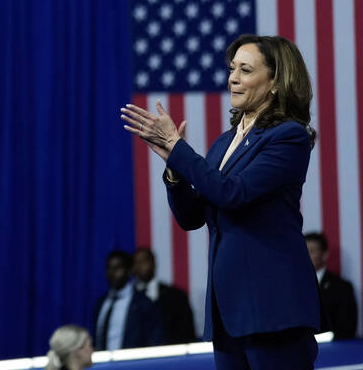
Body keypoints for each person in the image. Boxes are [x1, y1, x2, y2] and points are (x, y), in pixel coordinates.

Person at [121, 34, 321, 369]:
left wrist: (179, 149)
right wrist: (174, 166)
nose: (232, 78)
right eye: (232, 69)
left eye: (245, 70)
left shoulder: (288, 136)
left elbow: (233, 194)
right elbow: (192, 217)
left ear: (275, 82)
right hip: (229, 313)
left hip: (273, 310)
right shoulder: (224, 143)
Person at [91, 250, 164, 350]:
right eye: (109, 268)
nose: (112, 273)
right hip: (102, 363)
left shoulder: (143, 303)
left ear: (129, 271)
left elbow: (154, 340)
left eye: (117, 268)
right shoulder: (101, 303)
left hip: (132, 363)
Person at [131, 248, 196, 345]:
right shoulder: (128, 299)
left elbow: (187, 331)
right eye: (136, 263)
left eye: (144, 261)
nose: (140, 266)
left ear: (153, 264)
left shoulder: (176, 296)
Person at [305, 232, 358, 338]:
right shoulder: (292, 286)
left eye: (312, 251)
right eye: (304, 251)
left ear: (324, 255)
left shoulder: (342, 287)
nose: (307, 255)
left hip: (332, 350)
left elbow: (347, 328)